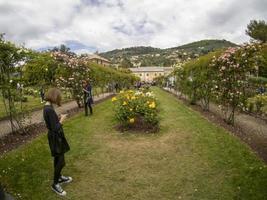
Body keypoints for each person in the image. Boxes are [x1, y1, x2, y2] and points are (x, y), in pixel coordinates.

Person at [43, 88, 72, 196]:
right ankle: (55, 184)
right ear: (54, 97)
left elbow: (51, 123)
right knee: (61, 161)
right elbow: (55, 128)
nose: (59, 100)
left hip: (55, 137)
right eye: (58, 97)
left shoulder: (47, 107)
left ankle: (59, 178)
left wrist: (57, 119)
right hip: (55, 137)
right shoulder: (49, 109)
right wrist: (62, 119)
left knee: (57, 158)